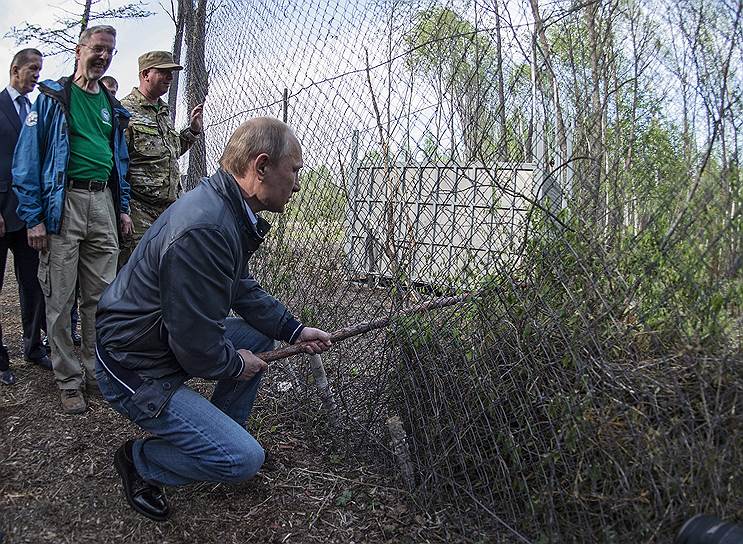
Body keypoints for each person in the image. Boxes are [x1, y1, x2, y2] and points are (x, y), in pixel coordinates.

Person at [95, 117, 331, 521]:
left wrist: (293, 329)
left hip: (155, 341)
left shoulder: (224, 209)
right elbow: (194, 343)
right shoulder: (207, 227)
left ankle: (217, 438)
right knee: (242, 460)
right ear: (260, 167)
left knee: (259, 337)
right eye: (293, 171)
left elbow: (240, 287)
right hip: (132, 363)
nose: (296, 183)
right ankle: (140, 460)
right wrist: (235, 364)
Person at [12, 25, 133, 413]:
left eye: (110, 52)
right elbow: (27, 161)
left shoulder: (112, 107)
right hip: (62, 204)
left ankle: (98, 373)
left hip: (102, 202)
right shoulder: (52, 97)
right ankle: (68, 379)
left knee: (102, 299)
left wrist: (123, 207)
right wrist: (33, 218)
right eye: (97, 48)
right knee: (60, 296)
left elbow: (120, 163)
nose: (103, 56)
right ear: (79, 49)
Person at [117, 51, 203, 267]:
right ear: (145, 74)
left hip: (170, 210)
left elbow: (168, 152)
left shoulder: (163, 111)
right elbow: (116, 166)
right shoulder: (125, 111)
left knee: (166, 271)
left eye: (171, 74)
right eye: (163, 72)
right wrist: (122, 210)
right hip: (139, 212)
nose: (169, 78)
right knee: (135, 273)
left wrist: (192, 131)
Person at [0, 48, 51, 385]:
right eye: (32, 69)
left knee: (33, 284)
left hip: (29, 214)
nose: (36, 75)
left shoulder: (35, 111)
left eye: (40, 70)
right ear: (15, 69)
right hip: (2, 211)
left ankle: (33, 347)